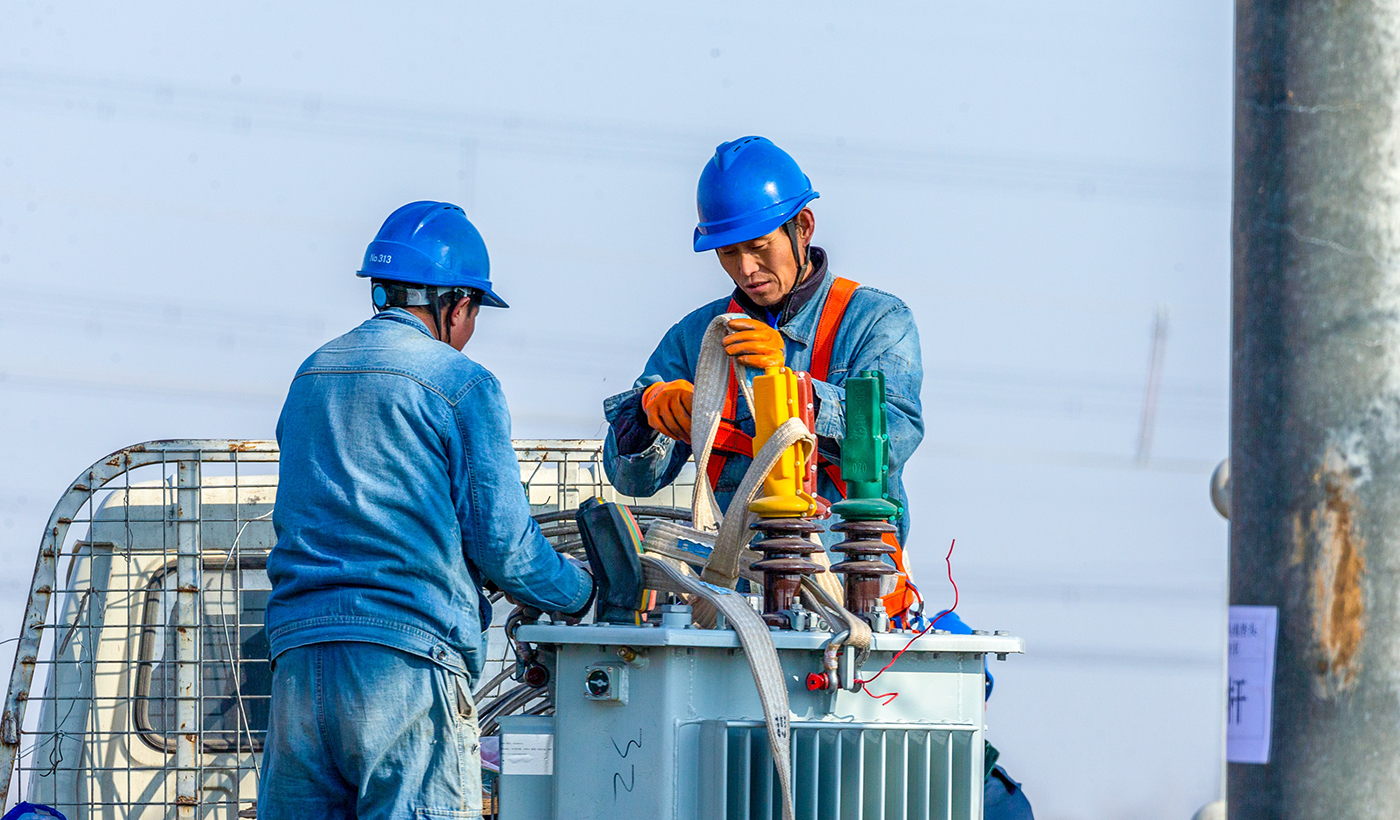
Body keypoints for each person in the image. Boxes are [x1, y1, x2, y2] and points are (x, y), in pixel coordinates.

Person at [259, 201, 594, 819]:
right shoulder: (461, 382)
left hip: (298, 667)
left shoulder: (311, 375)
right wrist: (584, 594)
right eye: (472, 315)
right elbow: (507, 547)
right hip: (404, 664)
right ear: (456, 303)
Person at [602, 135, 925, 618]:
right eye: (728, 254)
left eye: (758, 247)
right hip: (735, 592)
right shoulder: (698, 339)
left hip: (851, 594)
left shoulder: (874, 320)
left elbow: (893, 436)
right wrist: (647, 418)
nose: (746, 269)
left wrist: (791, 386)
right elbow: (632, 479)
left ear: (804, 227)